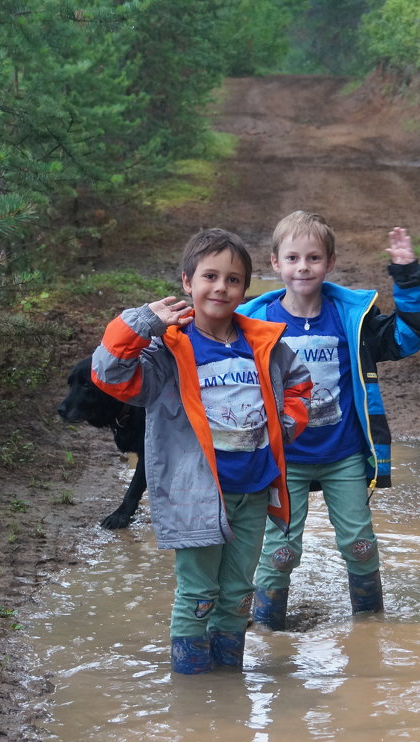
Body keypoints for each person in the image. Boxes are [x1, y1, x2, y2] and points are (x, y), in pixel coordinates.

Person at [90, 228, 312, 674]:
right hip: (195, 494)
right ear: (187, 282)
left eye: (233, 279)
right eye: (210, 276)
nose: (221, 287)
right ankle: (191, 692)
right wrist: (141, 322)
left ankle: (227, 684)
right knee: (198, 594)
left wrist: (283, 428)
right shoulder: (168, 348)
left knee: (237, 594)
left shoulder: (263, 343)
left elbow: (301, 385)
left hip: (252, 491)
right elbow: (109, 373)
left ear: (244, 289)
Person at [237, 210, 420, 629]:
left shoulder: (352, 319)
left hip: (343, 454)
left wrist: (408, 276)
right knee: (280, 550)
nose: (302, 267)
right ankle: (268, 630)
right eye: (292, 258)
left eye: (313, 258)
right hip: (284, 459)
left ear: (330, 262)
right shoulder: (255, 323)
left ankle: (370, 628)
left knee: (360, 544)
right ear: (275, 263)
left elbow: (407, 337)